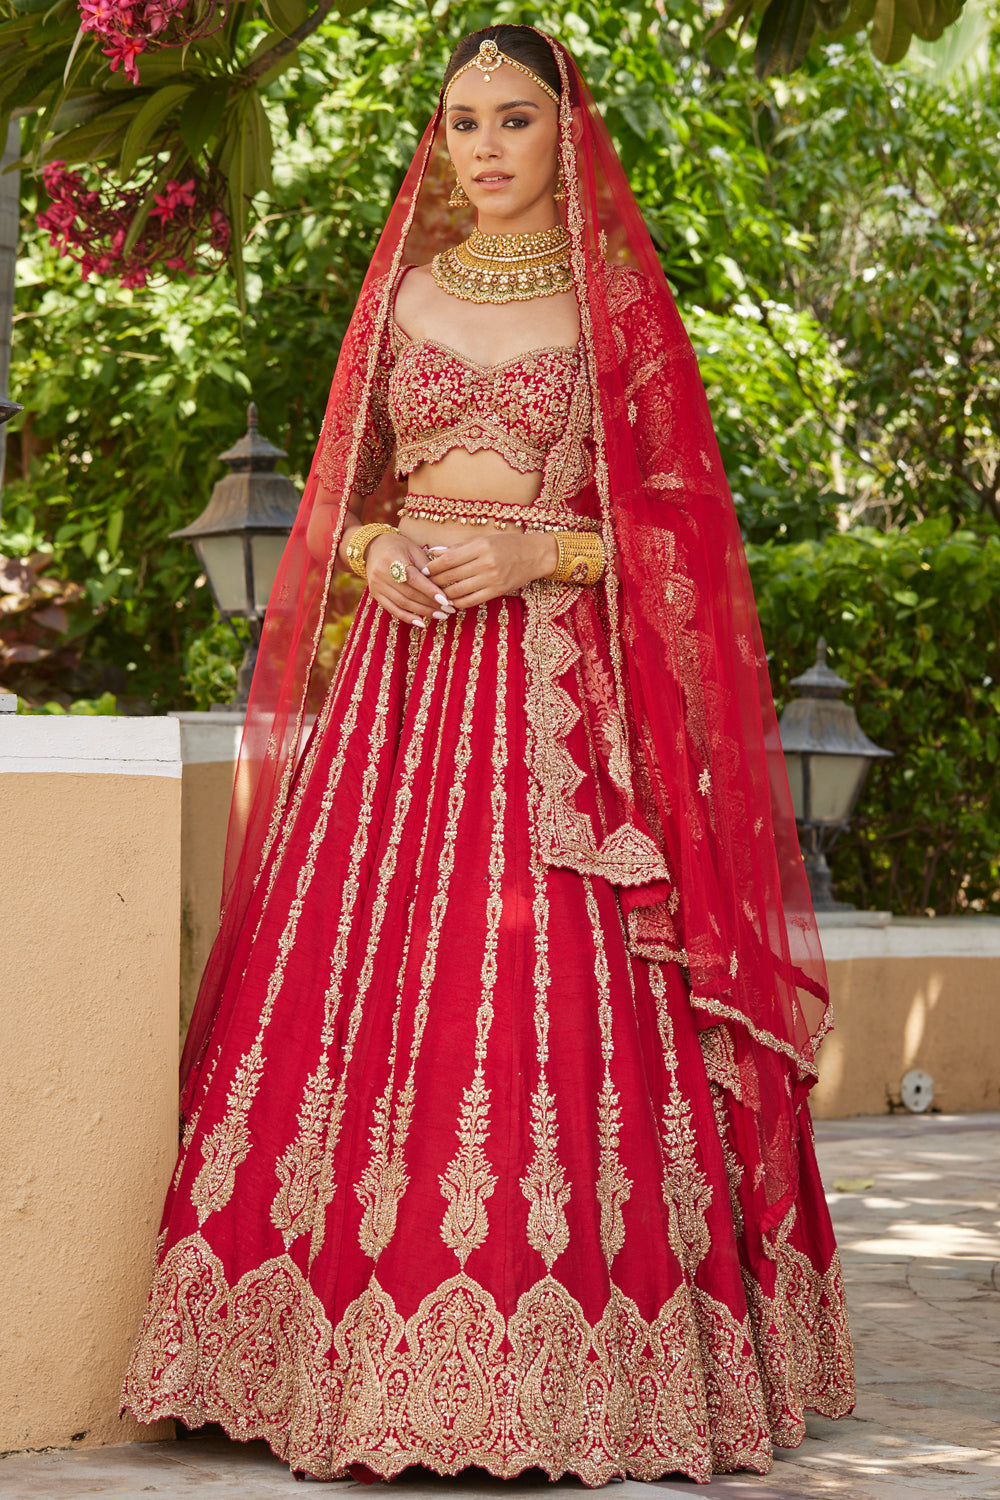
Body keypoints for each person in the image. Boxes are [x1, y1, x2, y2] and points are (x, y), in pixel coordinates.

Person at [122, 25, 855, 1485]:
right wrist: (381, 549)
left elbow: (683, 540)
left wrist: (540, 560)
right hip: (399, 694)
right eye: (461, 122)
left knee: (550, 998)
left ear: (565, 136)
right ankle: (316, 1356)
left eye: (514, 120)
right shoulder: (399, 295)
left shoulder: (613, 311)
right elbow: (355, 497)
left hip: (559, 700)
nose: (485, 149)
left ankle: (591, 1374)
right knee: (364, 986)